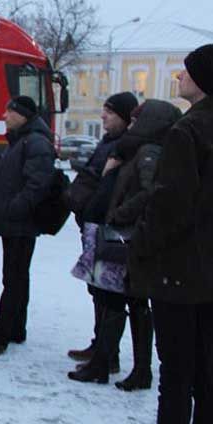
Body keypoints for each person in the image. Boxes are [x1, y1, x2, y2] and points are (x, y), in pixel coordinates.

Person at [112, 43, 213, 424]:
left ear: (206, 80)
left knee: (176, 373)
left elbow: (170, 205)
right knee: (209, 371)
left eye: (188, 71)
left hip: (179, 268)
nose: (179, 76)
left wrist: (140, 248)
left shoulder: (191, 130)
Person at [68, 100, 180, 386]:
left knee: (126, 301)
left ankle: (125, 367)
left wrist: (119, 214)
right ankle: (110, 362)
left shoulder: (148, 152)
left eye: (135, 120)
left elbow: (148, 194)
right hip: (124, 235)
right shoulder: (135, 150)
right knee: (118, 299)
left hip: (129, 237)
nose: (131, 125)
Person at [0, 95, 56, 358]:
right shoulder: (22, 141)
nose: (4, 116)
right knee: (16, 277)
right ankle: (15, 328)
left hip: (21, 223)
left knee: (14, 279)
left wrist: (13, 209)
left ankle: (1, 335)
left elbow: (36, 185)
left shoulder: (35, 143)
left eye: (9, 112)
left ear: (22, 115)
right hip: (15, 221)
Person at [66, 92, 138, 369]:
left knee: (109, 293)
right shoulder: (108, 142)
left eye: (110, 112)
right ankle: (101, 346)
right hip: (92, 225)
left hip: (108, 229)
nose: (103, 116)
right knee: (97, 289)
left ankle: (108, 356)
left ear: (125, 117)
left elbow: (110, 187)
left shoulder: (123, 147)